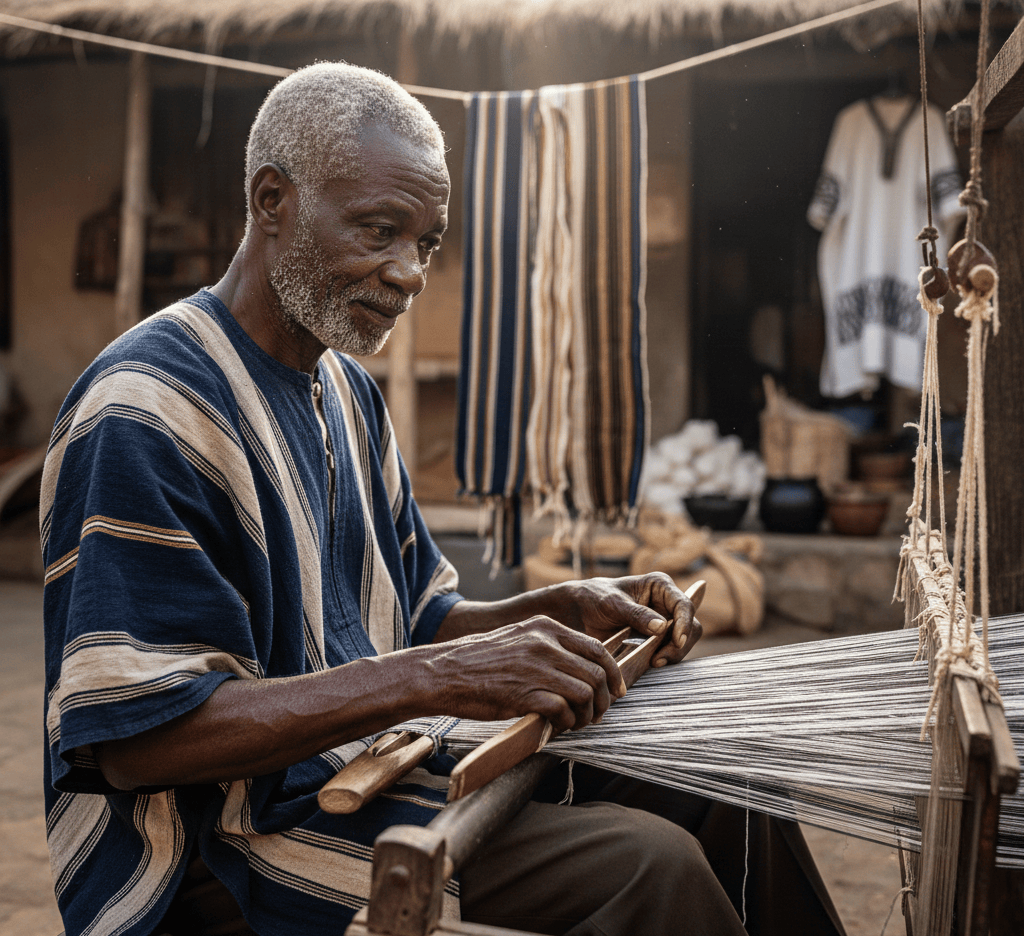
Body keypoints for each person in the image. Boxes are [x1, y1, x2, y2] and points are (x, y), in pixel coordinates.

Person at [42, 63, 842, 936]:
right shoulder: (148, 409)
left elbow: (420, 620)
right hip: (224, 849)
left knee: (728, 783)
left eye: (426, 243)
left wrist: (560, 609)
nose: (411, 272)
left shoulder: (347, 393)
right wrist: (439, 677)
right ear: (272, 202)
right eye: (380, 230)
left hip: (373, 769)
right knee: (650, 867)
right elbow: (138, 741)